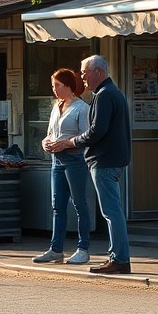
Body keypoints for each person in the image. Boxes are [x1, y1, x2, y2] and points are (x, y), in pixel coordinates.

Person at [72, 55, 132, 274]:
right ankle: (119, 257)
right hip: (112, 159)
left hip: (105, 160)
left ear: (97, 71)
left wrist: (73, 141)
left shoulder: (105, 95)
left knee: (111, 211)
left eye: (84, 72)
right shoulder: (112, 93)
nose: (82, 77)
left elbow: (98, 131)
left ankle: (119, 258)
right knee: (113, 210)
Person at [32, 68, 93, 265]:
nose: (55, 90)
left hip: (75, 160)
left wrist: (66, 143)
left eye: (58, 85)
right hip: (56, 160)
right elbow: (50, 132)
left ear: (69, 86)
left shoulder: (82, 108)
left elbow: (86, 137)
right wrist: (46, 142)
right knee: (57, 206)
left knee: (79, 204)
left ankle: (83, 248)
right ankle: (56, 248)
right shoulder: (56, 107)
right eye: (53, 86)